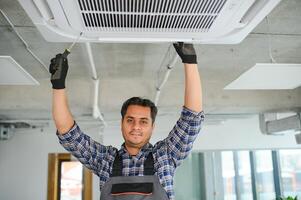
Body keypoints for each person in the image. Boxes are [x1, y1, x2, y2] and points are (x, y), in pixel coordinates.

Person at [50, 42, 204, 200]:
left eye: (143, 121)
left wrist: (190, 61)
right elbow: (68, 133)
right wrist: (58, 85)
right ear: (121, 123)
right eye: (130, 120)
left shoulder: (165, 156)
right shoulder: (105, 160)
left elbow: (191, 119)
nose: (136, 126)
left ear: (152, 127)